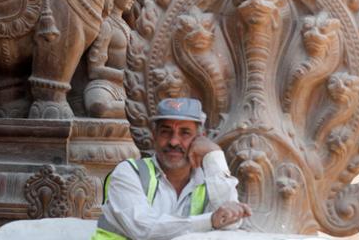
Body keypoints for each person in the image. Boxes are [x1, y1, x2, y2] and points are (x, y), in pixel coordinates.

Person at [92, 97, 251, 239]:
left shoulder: (208, 180)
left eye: (185, 133)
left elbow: (230, 222)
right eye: (165, 132)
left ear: (200, 139)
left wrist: (214, 156)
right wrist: (209, 221)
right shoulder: (129, 172)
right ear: (154, 135)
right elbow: (143, 229)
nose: (173, 141)